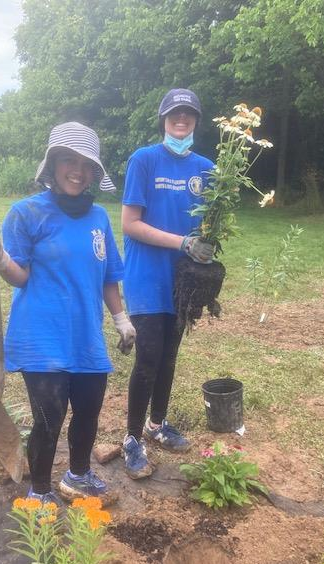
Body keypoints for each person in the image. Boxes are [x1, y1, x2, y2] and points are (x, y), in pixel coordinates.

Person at [0, 122, 136, 503]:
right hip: (41, 335)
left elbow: (108, 275)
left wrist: (121, 318)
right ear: (52, 164)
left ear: (95, 171)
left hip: (86, 335)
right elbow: (20, 275)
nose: (77, 170)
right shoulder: (27, 213)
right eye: (68, 160)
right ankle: (40, 491)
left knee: (89, 409)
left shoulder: (98, 218)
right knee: (49, 416)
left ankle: (78, 474)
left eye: (85, 163)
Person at [121, 89, 215, 479]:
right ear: (164, 119)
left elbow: (208, 224)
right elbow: (130, 224)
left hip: (183, 283)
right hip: (146, 277)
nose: (182, 120)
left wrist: (208, 243)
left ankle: (156, 425)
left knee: (169, 357)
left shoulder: (207, 168)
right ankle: (131, 438)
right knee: (147, 360)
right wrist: (183, 242)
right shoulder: (144, 161)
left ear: (195, 122)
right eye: (175, 114)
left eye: (189, 115)